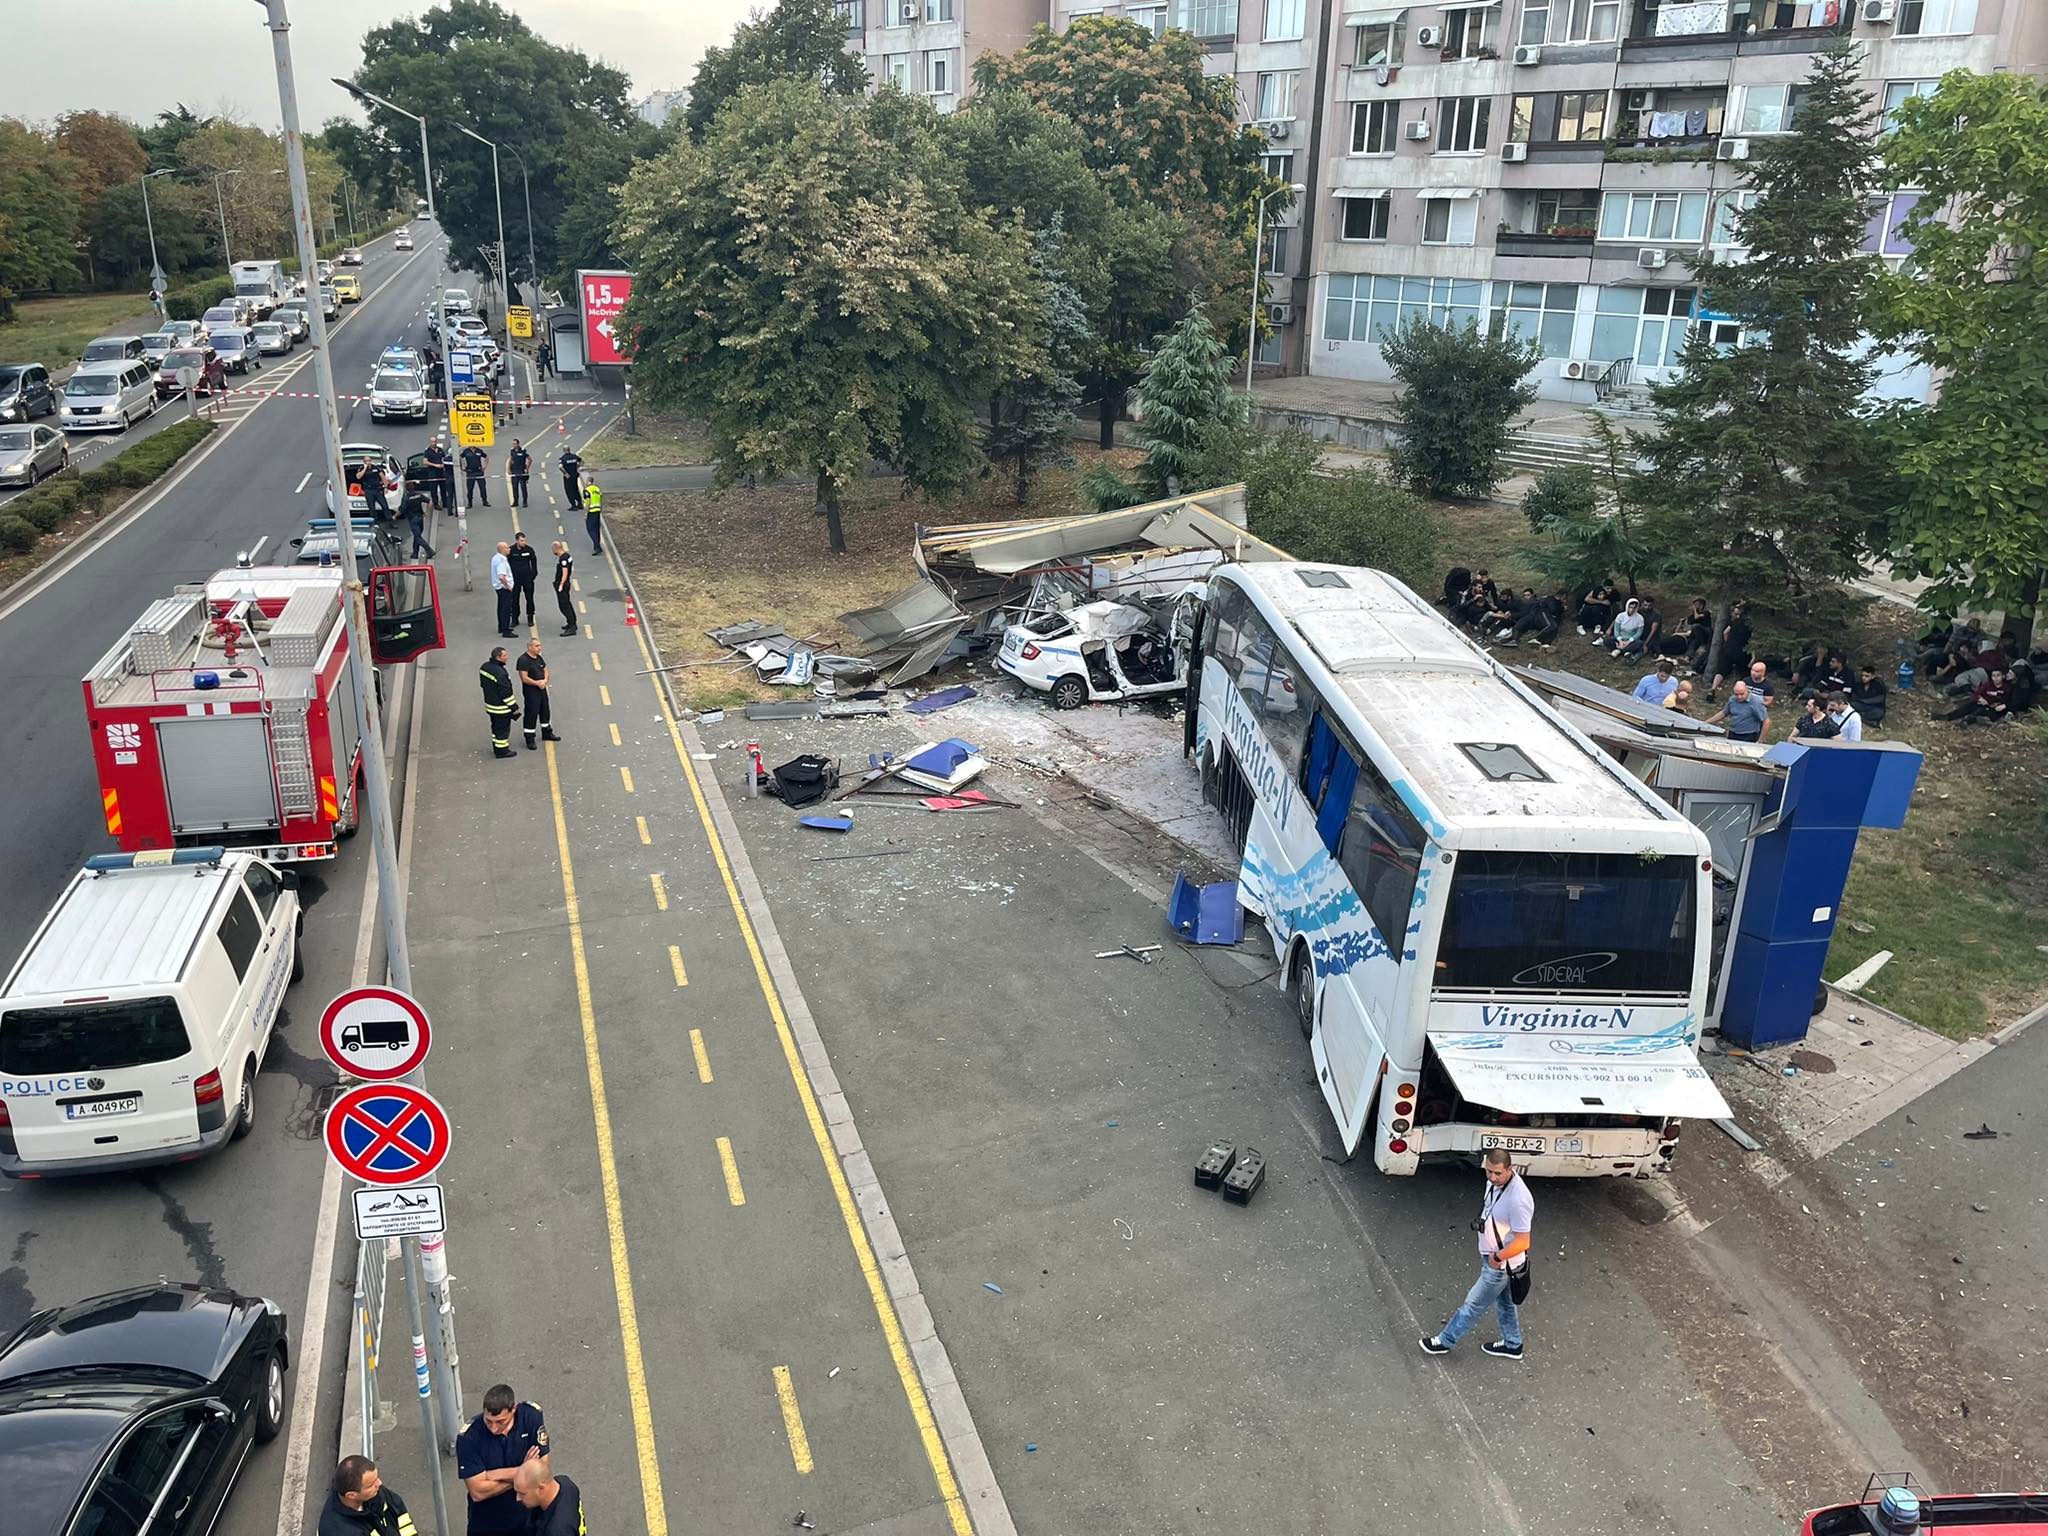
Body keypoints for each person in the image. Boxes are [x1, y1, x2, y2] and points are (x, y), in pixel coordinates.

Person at [1420, 1148, 1531, 1361]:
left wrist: (1497, 1258)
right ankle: (1513, 1344)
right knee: (1505, 1303)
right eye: (1488, 1171)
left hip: (1500, 1265)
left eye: (1498, 1173)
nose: (1492, 1177)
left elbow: (1523, 1241)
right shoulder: (1495, 1184)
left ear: (1510, 1169)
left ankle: (1444, 1341)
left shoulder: (1518, 1199)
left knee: (1473, 1304)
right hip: (1497, 1259)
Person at [456, 1383, 550, 1536]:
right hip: (488, 1525)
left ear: (514, 1409)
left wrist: (496, 1474)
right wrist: (523, 1472)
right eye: (488, 1421)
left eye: (501, 1422)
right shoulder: (469, 1438)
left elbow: (542, 1468)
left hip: (528, 1519)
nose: (493, 1428)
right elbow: (477, 1492)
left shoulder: (531, 1417)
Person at [320, 1456, 418, 1536]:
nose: (379, 1483)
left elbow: (400, 1513)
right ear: (352, 1495)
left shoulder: (373, 1493)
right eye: (371, 1484)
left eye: (376, 1478)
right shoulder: (340, 1531)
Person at [513, 1458, 585, 1536]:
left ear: (541, 1488)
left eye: (523, 1493)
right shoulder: (565, 1484)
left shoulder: (557, 1530)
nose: (518, 1498)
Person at [516, 637, 561, 751]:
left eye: (539, 645)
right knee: (532, 713)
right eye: (536, 646)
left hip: (542, 688)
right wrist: (537, 683)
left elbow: (545, 669)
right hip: (531, 691)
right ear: (530, 647)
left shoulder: (538, 657)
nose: (539, 648)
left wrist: (545, 680)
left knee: (545, 711)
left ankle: (547, 732)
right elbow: (524, 677)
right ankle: (530, 738)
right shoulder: (523, 660)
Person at [479, 646, 517, 759]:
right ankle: (502, 751)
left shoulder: (484, 667)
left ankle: (497, 747)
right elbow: (505, 692)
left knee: (495, 728)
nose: (507, 657)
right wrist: (514, 707)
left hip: (490, 705)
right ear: (498, 657)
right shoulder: (500, 673)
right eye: (505, 656)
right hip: (501, 708)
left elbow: (483, 684)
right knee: (502, 730)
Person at [1709, 600, 1753, 696]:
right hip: (1742, 650)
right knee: (1743, 672)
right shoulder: (1750, 625)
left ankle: (1713, 689)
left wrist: (1727, 642)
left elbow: (1725, 632)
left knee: (1721, 671)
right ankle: (1739, 692)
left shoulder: (1734, 621)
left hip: (1728, 648)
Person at [508, 532, 539, 626]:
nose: (523, 542)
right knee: (514, 599)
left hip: (527, 579)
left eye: (524, 540)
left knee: (529, 598)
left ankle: (530, 617)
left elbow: (534, 562)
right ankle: (515, 619)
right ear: (517, 540)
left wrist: (533, 575)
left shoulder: (529, 550)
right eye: (521, 540)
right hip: (515, 579)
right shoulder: (511, 550)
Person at [490, 541, 516, 638]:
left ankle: (501, 626)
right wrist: (508, 586)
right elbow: (501, 576)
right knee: (506, 608)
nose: (509, 549)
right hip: (504, 588)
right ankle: (506, 630)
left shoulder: (495, 558)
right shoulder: (502, 560)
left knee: (500, 607)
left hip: (498, 587)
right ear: (502, 549)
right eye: (507, 548)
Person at [1850, 663, 1888, 729]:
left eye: (1867, 676)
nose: (1864, 678)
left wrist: (1864, 701)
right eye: (1862, 675)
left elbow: (1880, 699)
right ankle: (1867, 721)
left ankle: (1863, 718)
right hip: (1861, 705)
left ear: (1872, 676)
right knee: (1851, 706)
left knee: (1878, 713)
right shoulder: (1858, 683)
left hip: (1874, 707)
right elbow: (1853, 696)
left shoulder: (1878, 684)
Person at [403, 485, 435, 560]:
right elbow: (430, 501)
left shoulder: (406, 498)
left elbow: (402, 508)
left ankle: (429, 550)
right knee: (417, 536)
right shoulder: (418, 495)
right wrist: (427, 512)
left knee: (417, 537)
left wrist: (394, 516)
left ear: (406, 490)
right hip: (420, 518)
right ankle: (415, 553)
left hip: (413, 519)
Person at [553, 541, 577, 637]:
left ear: (556, 548)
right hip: (566, 583)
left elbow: (565, 572)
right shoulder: (567, 556)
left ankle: (572, 626)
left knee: (564, 606)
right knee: (567, 603)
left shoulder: (563, 559)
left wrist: (561, 584)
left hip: (562, 584)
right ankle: (571, 623)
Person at [422, 438, 453, 511]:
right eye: (432, 442)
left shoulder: (440, 450)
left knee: (443, 488)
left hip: (441, 473)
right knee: (434, 490)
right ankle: (436, 504)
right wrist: (435, 465)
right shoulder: (427, 451)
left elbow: (444, 458)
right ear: (430, 443)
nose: (434, 443)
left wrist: (443, 464)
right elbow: (425, 462)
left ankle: (445, 503)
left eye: (435, 441)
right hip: (433, 473)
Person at [462, 442, 490, 508]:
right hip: (470, 472)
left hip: (479, 472)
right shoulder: (466, 451)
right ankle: (470, 503)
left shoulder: (479, 451)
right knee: (470, 489)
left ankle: (485, 501)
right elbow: (459, 458)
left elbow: (486, 457)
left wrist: (484, 466)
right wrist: (462, 467)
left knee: (482, 488)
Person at [583, 477, 604, 556]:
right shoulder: (597, 489)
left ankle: (597, 547)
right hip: (597, 511)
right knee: (596, 529)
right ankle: (596, 546)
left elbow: (588, 501)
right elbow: (601, 497)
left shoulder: (587, 490)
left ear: (588, 481)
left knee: (590, 529)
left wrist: (586, 513)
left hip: (591, 511)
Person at [508, 439, 531, 507]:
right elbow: (511, 459)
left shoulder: (523, 451)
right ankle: (515, 501)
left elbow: (530, 459)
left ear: (518, 444)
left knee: (523, 487)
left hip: (521, 471)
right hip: (514, 471)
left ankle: (525, 501)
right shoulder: (512, 451)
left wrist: (527, 468)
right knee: (514, 487)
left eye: (515, 444)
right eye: (513, 444)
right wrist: (509, 469)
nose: (514, 445)